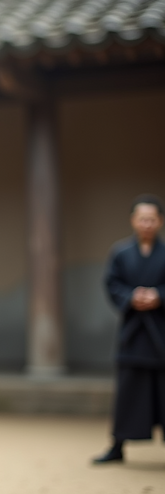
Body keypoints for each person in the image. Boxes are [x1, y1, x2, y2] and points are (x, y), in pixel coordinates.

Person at [93, 194, 165, 464]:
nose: (147, 223)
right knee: (128, 393)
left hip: (161, 331)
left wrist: (159, 296)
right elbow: (112, 284)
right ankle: (118, 445)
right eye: (142, 218)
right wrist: (131, 297)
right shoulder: (121, 252)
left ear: (159, 222)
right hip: (134, 333)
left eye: (152, 219)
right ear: (134, 221)